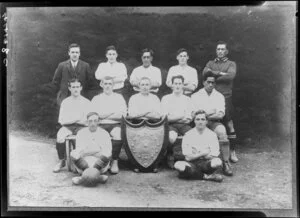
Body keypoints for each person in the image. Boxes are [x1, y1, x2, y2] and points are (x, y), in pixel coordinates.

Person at [191, 71, 233, 176]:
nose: (211, 85)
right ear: (203, 82)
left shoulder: (219, 96)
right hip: (199, 123)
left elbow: (220, 115)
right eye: (208, 82)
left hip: (214, 122)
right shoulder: (195, 96)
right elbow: (194, 114)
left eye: (213, 83)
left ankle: (225, 163)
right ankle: (194, 163)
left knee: (222, 132)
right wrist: (210, 112)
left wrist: (204, 113)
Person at [202, 41, 238, 163]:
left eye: (223, 49)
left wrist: (213, 75)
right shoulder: (210, 63)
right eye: (218, 49)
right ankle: (209, 151)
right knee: (210, 120)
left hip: (226, 96)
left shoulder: (231, 63)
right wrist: (220, 73)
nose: (220, 51)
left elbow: (230, 76)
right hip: (211, 97)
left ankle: (232, 151)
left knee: (228, 124)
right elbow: (204, 73)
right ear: (216, 51)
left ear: (227, 51)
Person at [53, 78, 92, 173]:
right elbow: (62, 121)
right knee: (60, 136)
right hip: (68, 126)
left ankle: (79, 161)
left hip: (82, 126)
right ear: (69, 88)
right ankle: (62, 161)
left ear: (81, 88)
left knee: (83, 137)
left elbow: (88, 121)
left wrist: (76, 120)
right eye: (73, 87)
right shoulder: (65, 102)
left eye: (77, 87)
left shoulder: (86, 102)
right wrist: (76, 119)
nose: (76, 89)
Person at [174, 110, 223, 182]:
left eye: (203, 119)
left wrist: (195, 154)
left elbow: (214, 155)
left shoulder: (212, 135)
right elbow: (188, 158)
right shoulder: (188, 135)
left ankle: (194, 175)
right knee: (178, 165)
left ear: (206, 121)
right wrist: (203, 153)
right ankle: (206, 176)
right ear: (194, 121)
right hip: (192, 164)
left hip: (206, 163)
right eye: (198, 119)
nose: (200, 122)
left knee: (217, 162)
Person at [91, 76, 127, 174]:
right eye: (105, 84)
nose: (107, 86)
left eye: (110, 84)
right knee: (96, 137)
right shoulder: (96, 98)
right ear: (102, 84)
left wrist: (104, 115)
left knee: (118, 134)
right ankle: (101, 161)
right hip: (100, 125)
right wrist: (111, 113)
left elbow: (122, 115)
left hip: (115, 124)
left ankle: (114, 160)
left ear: (113, 85)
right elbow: (94, 115)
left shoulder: (119, 97)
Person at [127, 77, 163, 173]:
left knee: (155, 141)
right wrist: (148, 112)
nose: (145, 87)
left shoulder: (155, 98)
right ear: (139, 86)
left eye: (147, 85)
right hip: (137, 123)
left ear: (150, 86)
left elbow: (157, 115)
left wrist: (141, 113)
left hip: (153, 123)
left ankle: (154, 164)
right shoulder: (133, 98)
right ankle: (136, 163)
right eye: (142, 85)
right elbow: (132, 115)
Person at [70, 112, 112, 186]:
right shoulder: (81, 133)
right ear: (87, 122)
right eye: (90, 121)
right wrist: (96, 151)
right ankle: (98, 177)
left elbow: (107, 152)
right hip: (84, 163)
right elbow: (80, 153)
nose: (93, 123)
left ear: (98, 122)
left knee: (108, 153)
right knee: (73, 153)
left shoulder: (104, 133)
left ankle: (83, 178)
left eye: (95, 121)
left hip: (99, 164)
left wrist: (88, 152)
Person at [161, 75, 193, 169]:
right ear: (172, 85)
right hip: (170, 125)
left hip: (184, 125)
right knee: (171, 137)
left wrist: (174, 117)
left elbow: (188, 118)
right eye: (175, 83)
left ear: (183, 85)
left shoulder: (187, 99)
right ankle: (170, 155)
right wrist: (181, 116)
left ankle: (189, 157)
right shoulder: (166, 98)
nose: (178, 86)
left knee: (192, 135)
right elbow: (165, 118)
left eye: (180, 83)